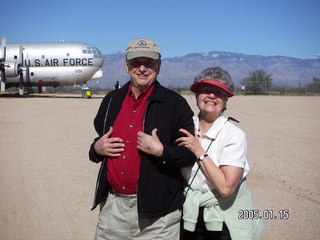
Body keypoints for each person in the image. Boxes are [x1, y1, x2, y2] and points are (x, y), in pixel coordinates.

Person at [89, 37, 196, 240]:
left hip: (158, 219)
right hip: (113, 211)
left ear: (159, 65)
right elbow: (98, 142)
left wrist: (162, 151)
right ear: (126, 66)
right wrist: (96, 148)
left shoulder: (175, 104)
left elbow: (189, 154)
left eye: (149, 63)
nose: (142, 69)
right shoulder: (111, 101)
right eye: (136, 63)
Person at [177, 67, 263, 240]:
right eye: (206, 90)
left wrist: (198, 150)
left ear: (225, 100)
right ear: (196, 96)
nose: (211, 96)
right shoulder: (183, 127)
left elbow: (225, 188)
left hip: (223, 218)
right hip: (188, 212)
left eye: (218, 92)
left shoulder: (233, 135)